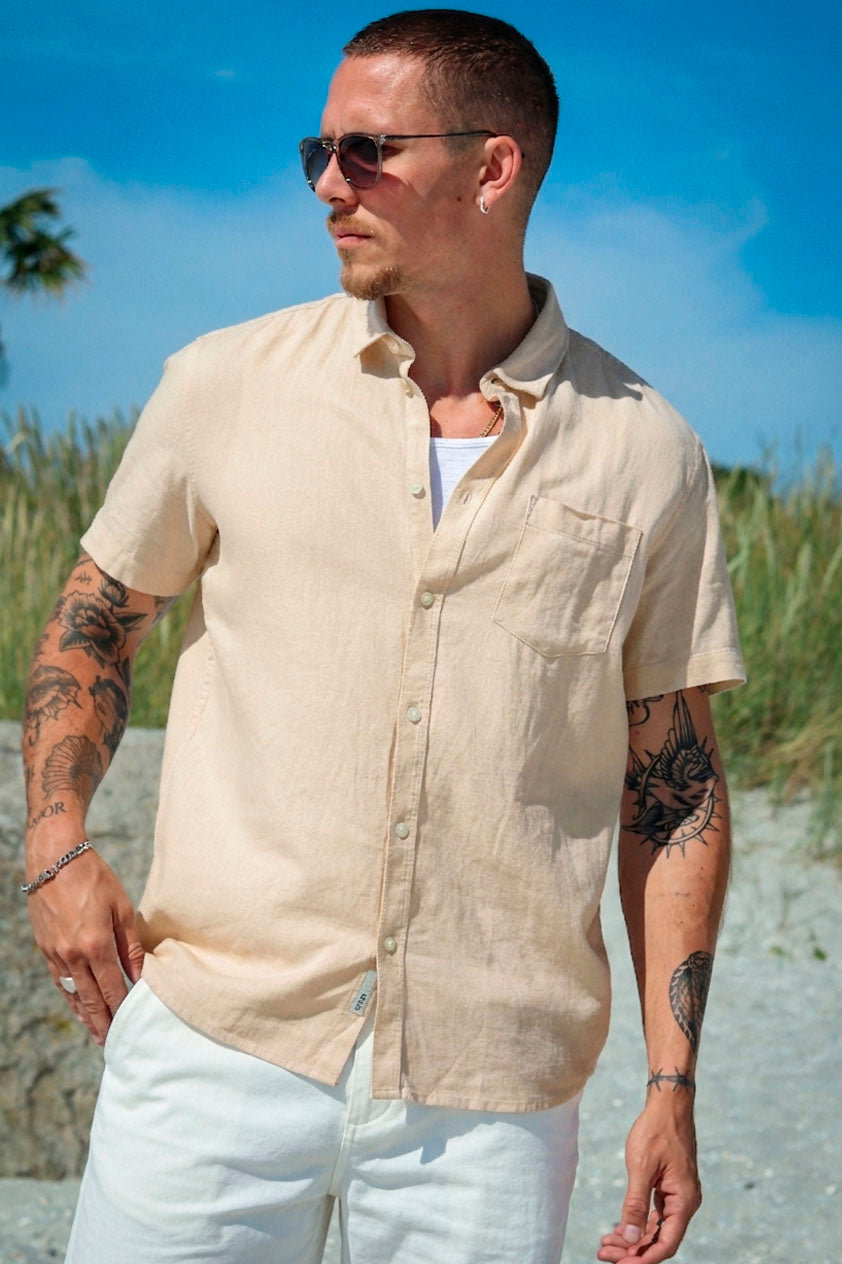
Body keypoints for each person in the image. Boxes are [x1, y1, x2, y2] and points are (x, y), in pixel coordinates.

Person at [21, 9, 744, 1263]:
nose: (326, 185)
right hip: (215, 1045)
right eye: (317, 151)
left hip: (489, 1097)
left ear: (492, 166)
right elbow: (95, 620)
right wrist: (53, 849)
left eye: (365, 151)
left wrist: (670, 1085)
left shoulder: (646, 451)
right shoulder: (224, 383)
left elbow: (672, 786)